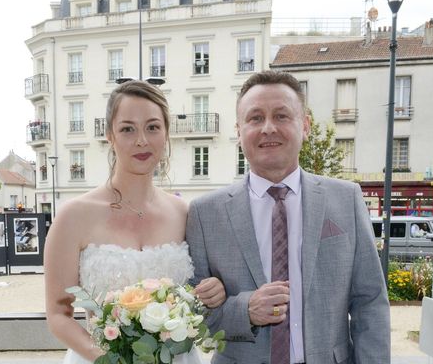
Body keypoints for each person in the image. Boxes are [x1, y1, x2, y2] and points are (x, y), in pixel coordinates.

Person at [186, 70, 390, 364]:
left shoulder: (346, 199)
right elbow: (193, 316)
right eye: (255, 118)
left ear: (305, 125)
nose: (268, 128)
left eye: (281, 116)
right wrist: (245, 310)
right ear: (239, 130)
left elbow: (370, 302)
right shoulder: (204, 214)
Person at [44, 80, 226, 363]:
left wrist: (215, 289)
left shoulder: (185, 214)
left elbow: (199, 291)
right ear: (109, 135)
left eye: (152, 127)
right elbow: (58, 314)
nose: (142, 140)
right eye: (128, 129)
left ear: (166, 133)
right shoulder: (73, 216)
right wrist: (111, 358)